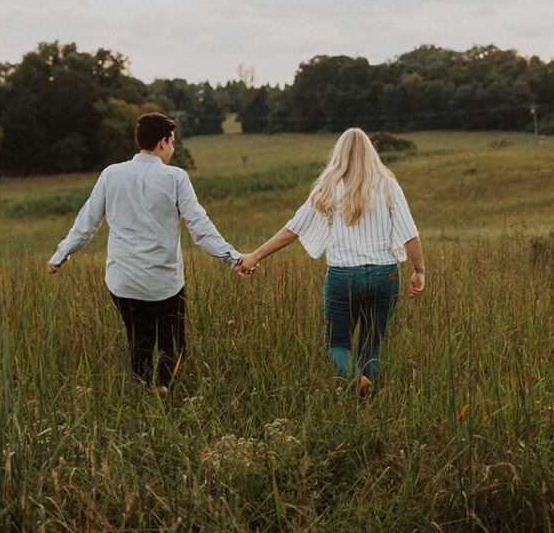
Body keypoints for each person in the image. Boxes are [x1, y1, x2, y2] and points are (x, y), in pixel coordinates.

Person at [47, 112, 246, 394]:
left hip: (122, 281)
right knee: (173, 344)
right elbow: (200, 227)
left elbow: (86, 223)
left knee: (139, 340)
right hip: (164, 283)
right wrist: (232, 258)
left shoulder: (111, 174)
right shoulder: (176, 177)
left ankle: (142, 391)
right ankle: (163, 389)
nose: (173, 149)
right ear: (163, 142)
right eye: (172, 142)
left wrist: (60, 255)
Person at [238, 128, 425, 398]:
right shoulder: (388, 185)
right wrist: (419, 271)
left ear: (339, 154)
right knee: (372, 341)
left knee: (337, 344)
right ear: (371, 153)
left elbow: (294, 229)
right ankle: (369, 399)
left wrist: (255, 256)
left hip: (343, 276)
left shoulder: (328, 187)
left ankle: (356, 379)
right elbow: (410, 234)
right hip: (386, 275)